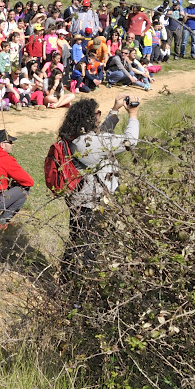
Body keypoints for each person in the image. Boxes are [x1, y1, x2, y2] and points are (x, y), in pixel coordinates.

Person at [57, 95, 140, 269]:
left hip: (80, 200)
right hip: (92, 204)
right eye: (97, 113)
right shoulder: (88, 143)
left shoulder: (78, 137)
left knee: (77, 242)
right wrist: (133, 114)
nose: (99, 116)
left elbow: (101, 135)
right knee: (88, 247)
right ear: (88, 118)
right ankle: (79, 279)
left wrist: (115, 110)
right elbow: (130, 142)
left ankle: (67, 277)